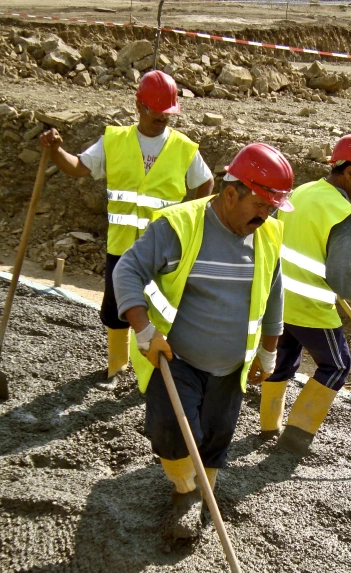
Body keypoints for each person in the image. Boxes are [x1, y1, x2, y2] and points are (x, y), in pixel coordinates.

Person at [113, 143, 294, 539]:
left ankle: (204, 490)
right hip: (176, 358)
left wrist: (268, 350)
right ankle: (185, 494)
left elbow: (275, 292)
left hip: (231, 367)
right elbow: (127, 270)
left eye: (273, 206)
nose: (268, 214)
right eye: (262, 204)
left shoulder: (268, 235)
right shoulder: (180, 226)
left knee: (216, 434)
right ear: (231, 194)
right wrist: (144, 331)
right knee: (174, 432)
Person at [39, 70, 214, 385]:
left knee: (163, 309)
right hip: (121, 247)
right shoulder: (115, 140)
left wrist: (194, 221)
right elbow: (79, 166)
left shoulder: (184, 148)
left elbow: (205, 183)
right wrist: (55, 151)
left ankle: (156, 369)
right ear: (138, 105)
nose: (161, 117)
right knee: (116, 308)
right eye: (154, 111)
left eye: (166, 113)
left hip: (164, 251)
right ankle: (118, 365)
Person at [260, 133, 351, 456]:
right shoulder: (342, 214)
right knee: (337, 365)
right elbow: (339, 274)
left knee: (282, 359)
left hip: (276, 301)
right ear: (349, 171)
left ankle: (267, 426)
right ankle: (295, 438)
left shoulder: (300, 193)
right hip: (312, 309)